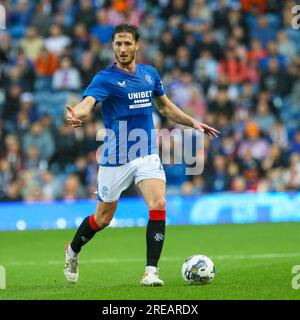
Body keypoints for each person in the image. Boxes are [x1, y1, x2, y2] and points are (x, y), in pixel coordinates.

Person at [64, 24, 220, 286]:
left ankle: (150, 272)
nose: (122, 49)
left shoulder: (150, 74)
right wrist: (76, 114)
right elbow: (88, 103)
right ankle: (72, 251)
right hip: (115, 158)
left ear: (137, 45)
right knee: (102, 219)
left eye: (127, 43)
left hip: (146, 152)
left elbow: (166, 107)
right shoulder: (105, 78)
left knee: (158, 205)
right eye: (118, 44)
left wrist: (193, 122)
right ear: (113, 47)